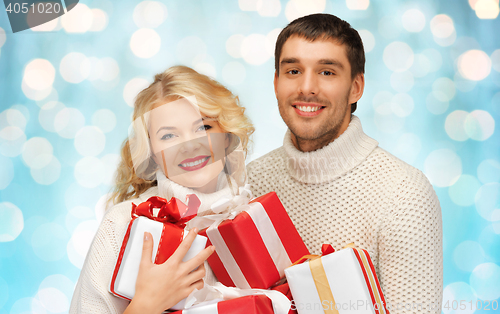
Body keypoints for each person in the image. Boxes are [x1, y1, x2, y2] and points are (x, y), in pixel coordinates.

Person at [247, 13, 443, 313]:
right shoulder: (250, 183)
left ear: (356, 88)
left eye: (327, 72)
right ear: (276, 83)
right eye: (293, 71)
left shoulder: (404, 194)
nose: (307, 87)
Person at [70, 66, 254, 314]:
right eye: (169, 136)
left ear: (227, 135)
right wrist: (147, 305)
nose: (190, 146)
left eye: (204, 128)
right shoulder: (124, 222)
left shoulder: (254, 214)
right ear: (151, 152)